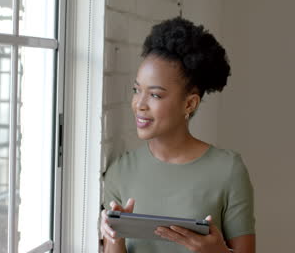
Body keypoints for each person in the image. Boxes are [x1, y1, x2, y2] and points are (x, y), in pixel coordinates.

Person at [99, 17, 256, 253]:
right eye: (136, 90)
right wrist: (114, 238)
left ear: (189, 104)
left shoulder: (228, 170)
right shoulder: (120, 172)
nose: (139, 104)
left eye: (155, 95)